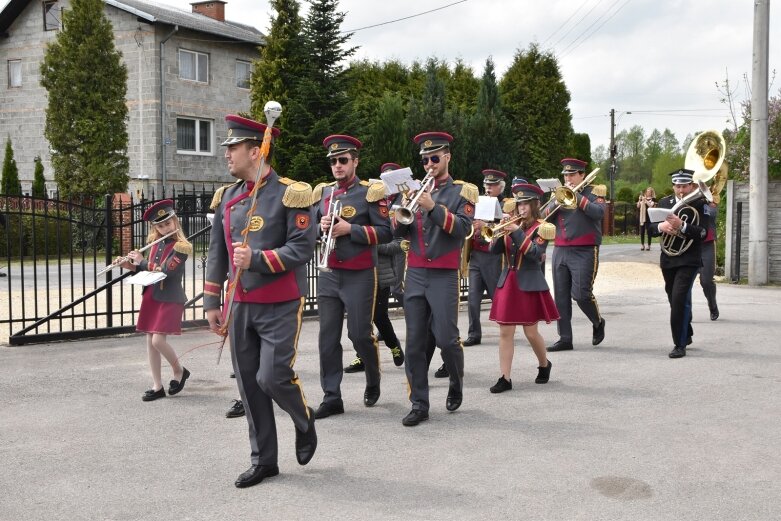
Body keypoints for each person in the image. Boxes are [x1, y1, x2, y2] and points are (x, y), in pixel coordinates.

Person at [204, 114, 317, 488]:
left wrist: (259, 259)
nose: (227, 155)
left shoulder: (290, 192)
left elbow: (302, 247)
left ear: (256, 151)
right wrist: (211, 302)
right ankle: (264, 460)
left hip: (279, 301)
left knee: (271, 376)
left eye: (232, 148)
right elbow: (217, 254)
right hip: (240, 304)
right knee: (249, 388)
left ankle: (303, 418)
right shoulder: (228, 198)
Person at [393, 131, 477, 426]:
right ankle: (419, 403)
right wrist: (399, 213)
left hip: (443, 273)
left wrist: (432, 207)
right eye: (425, 159)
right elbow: (398, 231)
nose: (429, 163)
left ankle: (456, 380)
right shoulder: (413, 191)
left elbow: (463, 229)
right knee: (414, 341)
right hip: (415, 272)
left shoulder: (462, 192)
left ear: (447, 157)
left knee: (446, 338)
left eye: (434, 158)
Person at [311, 135, 392, 419]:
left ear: (355, 161)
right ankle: (332, 396)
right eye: (333, 161)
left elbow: (386, 232)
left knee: (359, 334)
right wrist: (320, 227)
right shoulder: (323, 193)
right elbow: (309, 231)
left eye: (343, 160)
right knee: (327, 338)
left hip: (359, 273)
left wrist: (351, 230)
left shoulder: (370, 192)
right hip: (329, 274)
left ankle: (373, 376)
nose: (337, 165)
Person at [488, 178, 559, 392]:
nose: (522, 208)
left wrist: (516, 232)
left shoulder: (543, 228)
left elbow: (535, 255)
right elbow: (493, 251)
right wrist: (498, 232)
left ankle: (544, 364)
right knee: (505, 332)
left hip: (528, 283)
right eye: (519, 204)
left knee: (530, 333)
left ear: (535, 205)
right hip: (508, 282)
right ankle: (505, 378)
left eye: (526, 204)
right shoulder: (512, 226)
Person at [118, 199, 191, 402]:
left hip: (170, 298)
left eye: (168, 223)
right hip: (152, 296)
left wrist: (142, 262)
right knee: (150, 341)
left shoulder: (182, 247)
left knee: (159, 340)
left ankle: (179, 370)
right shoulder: (157, 244)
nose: (164, 227)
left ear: (175, 221)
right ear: (155, 227)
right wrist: (129, 266)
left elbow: (167, 271)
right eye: (160, 225)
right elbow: (149, 269)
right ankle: (157, 385)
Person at [343, 162, 406, 373]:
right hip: (360, 271)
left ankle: (394, 345)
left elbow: (400, 244)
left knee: (379, 316)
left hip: (381, 272)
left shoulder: (402, 205)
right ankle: (362, 356)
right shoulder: (369, 199)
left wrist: (373, 243)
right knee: (357, 320)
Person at [545, 158, 607, 352]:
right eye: (565, 175)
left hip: (585, 249)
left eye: (572, 174)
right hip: (560, 249)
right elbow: (543, 217)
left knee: (581, 294)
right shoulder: (558, 194)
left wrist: (576, 197)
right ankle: (565, 338)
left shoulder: (594, 191)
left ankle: (597, 322)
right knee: (561, 297)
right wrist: (557, 200)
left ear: (582, 175)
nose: (568, 178)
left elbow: (598, 213)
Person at [651, 168, 707, 358]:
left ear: (691, 186)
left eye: (684, 186)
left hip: (689, 259)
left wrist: (681, 225)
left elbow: (702, 233)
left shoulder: (700, 203)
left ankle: (679, 344)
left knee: (679, 299)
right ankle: (686, 331)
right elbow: (649, 228)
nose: (681, 190)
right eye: (677, 186)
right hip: (668, 258)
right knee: (673, 298)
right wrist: (662, 226)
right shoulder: (665, 203)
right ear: (673, 186)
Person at [463, 169, 507, 347]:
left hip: (492, 255)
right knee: (472, 298)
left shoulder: (506, 205)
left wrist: (486, 224)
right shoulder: (477, 202)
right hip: (475, 254)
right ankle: (474, 334)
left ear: (500, 187)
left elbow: (506, 226)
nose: (488, 188)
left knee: (496, 295)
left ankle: (506, 328)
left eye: (493, 185)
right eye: (487, 185)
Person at [700, 200, 720, 320]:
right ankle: (686, 312)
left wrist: (709, 204)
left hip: (706, 244)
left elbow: (711, 215)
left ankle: (712, 305)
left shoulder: (707, 201)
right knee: (684, 282)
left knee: (706, 280)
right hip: (689, 244)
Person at [637, 186, 656, 250]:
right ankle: (642, 245)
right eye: (647, 191)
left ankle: (649, 245)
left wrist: (645, 200)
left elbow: (650, 205)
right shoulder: (643, 198)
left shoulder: (653, 199)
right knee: (642, 231)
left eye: (649, 192)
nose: (648, 193)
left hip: (649, 217)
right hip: (642, 217)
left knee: (649, 231)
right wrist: (639, 200)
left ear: (651, 193)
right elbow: (638, 206)